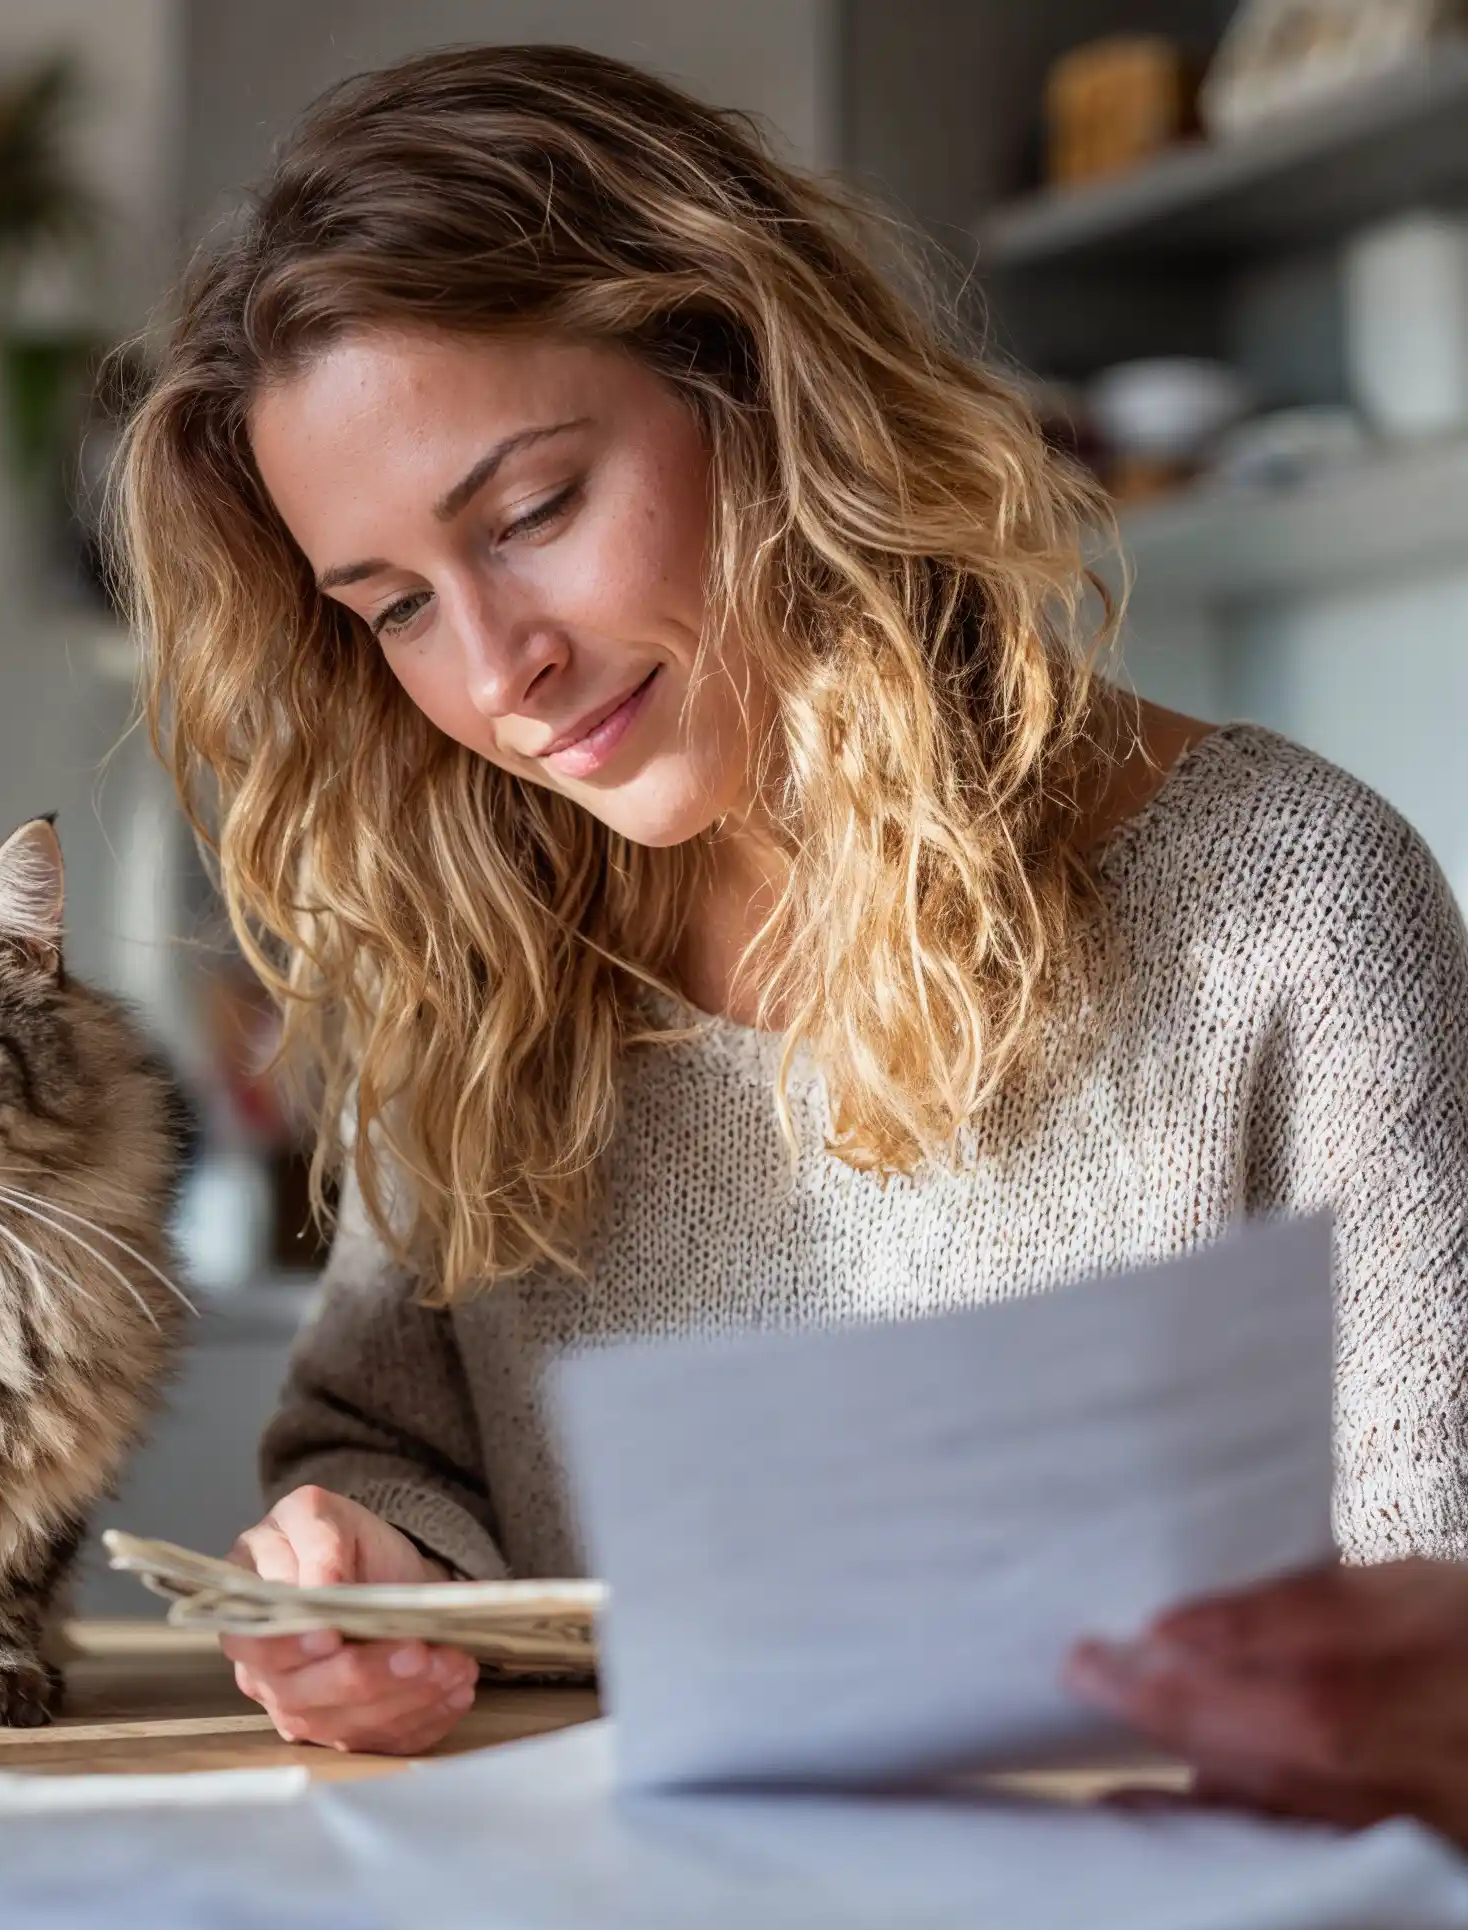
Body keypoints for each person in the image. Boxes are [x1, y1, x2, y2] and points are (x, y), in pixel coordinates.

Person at [116, 47, 1468, 1831]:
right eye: (395, 611)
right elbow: (395, 1445)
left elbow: (1437, 1619)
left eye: (530, 515)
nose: (494, 667)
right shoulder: (481, 963)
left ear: (755, 383)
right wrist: (378, 1583)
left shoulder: (1285, 911)